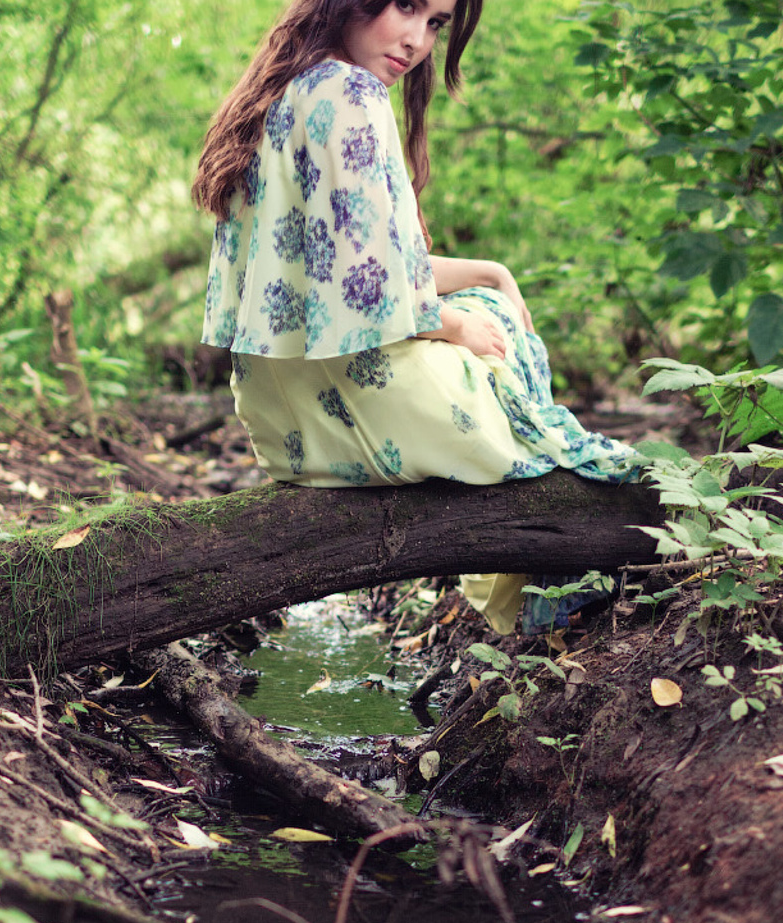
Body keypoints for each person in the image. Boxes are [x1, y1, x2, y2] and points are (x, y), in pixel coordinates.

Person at [192, 0, 639, 633]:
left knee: (488, 299)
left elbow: (369, 266)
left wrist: (492, 270)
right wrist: (456, 325)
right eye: (406, 7)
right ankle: (546, 598)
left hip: (288, 430)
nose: (417, 41)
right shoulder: (353, 92)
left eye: (436, 23)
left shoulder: (278, 93)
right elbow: (373, 289)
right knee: (495, 327)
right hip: (371, 413)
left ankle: (529, 582)